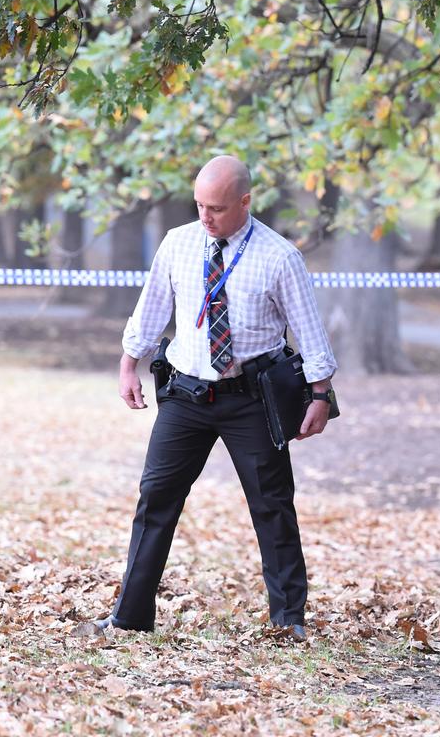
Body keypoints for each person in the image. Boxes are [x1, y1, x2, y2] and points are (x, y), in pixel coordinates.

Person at [93, 155, 337, 642]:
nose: (206, 216)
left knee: (272, 506)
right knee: (155, 499)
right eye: (200, 204)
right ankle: (130, 615)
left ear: (245, 202)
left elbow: (310, 331)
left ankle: (288, 620)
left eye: (218, 208)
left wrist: (321, 394)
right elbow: (151, 309)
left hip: (251, 398)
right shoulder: (178, 243)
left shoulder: (279, 256)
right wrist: (128, 362)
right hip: (185, 394)